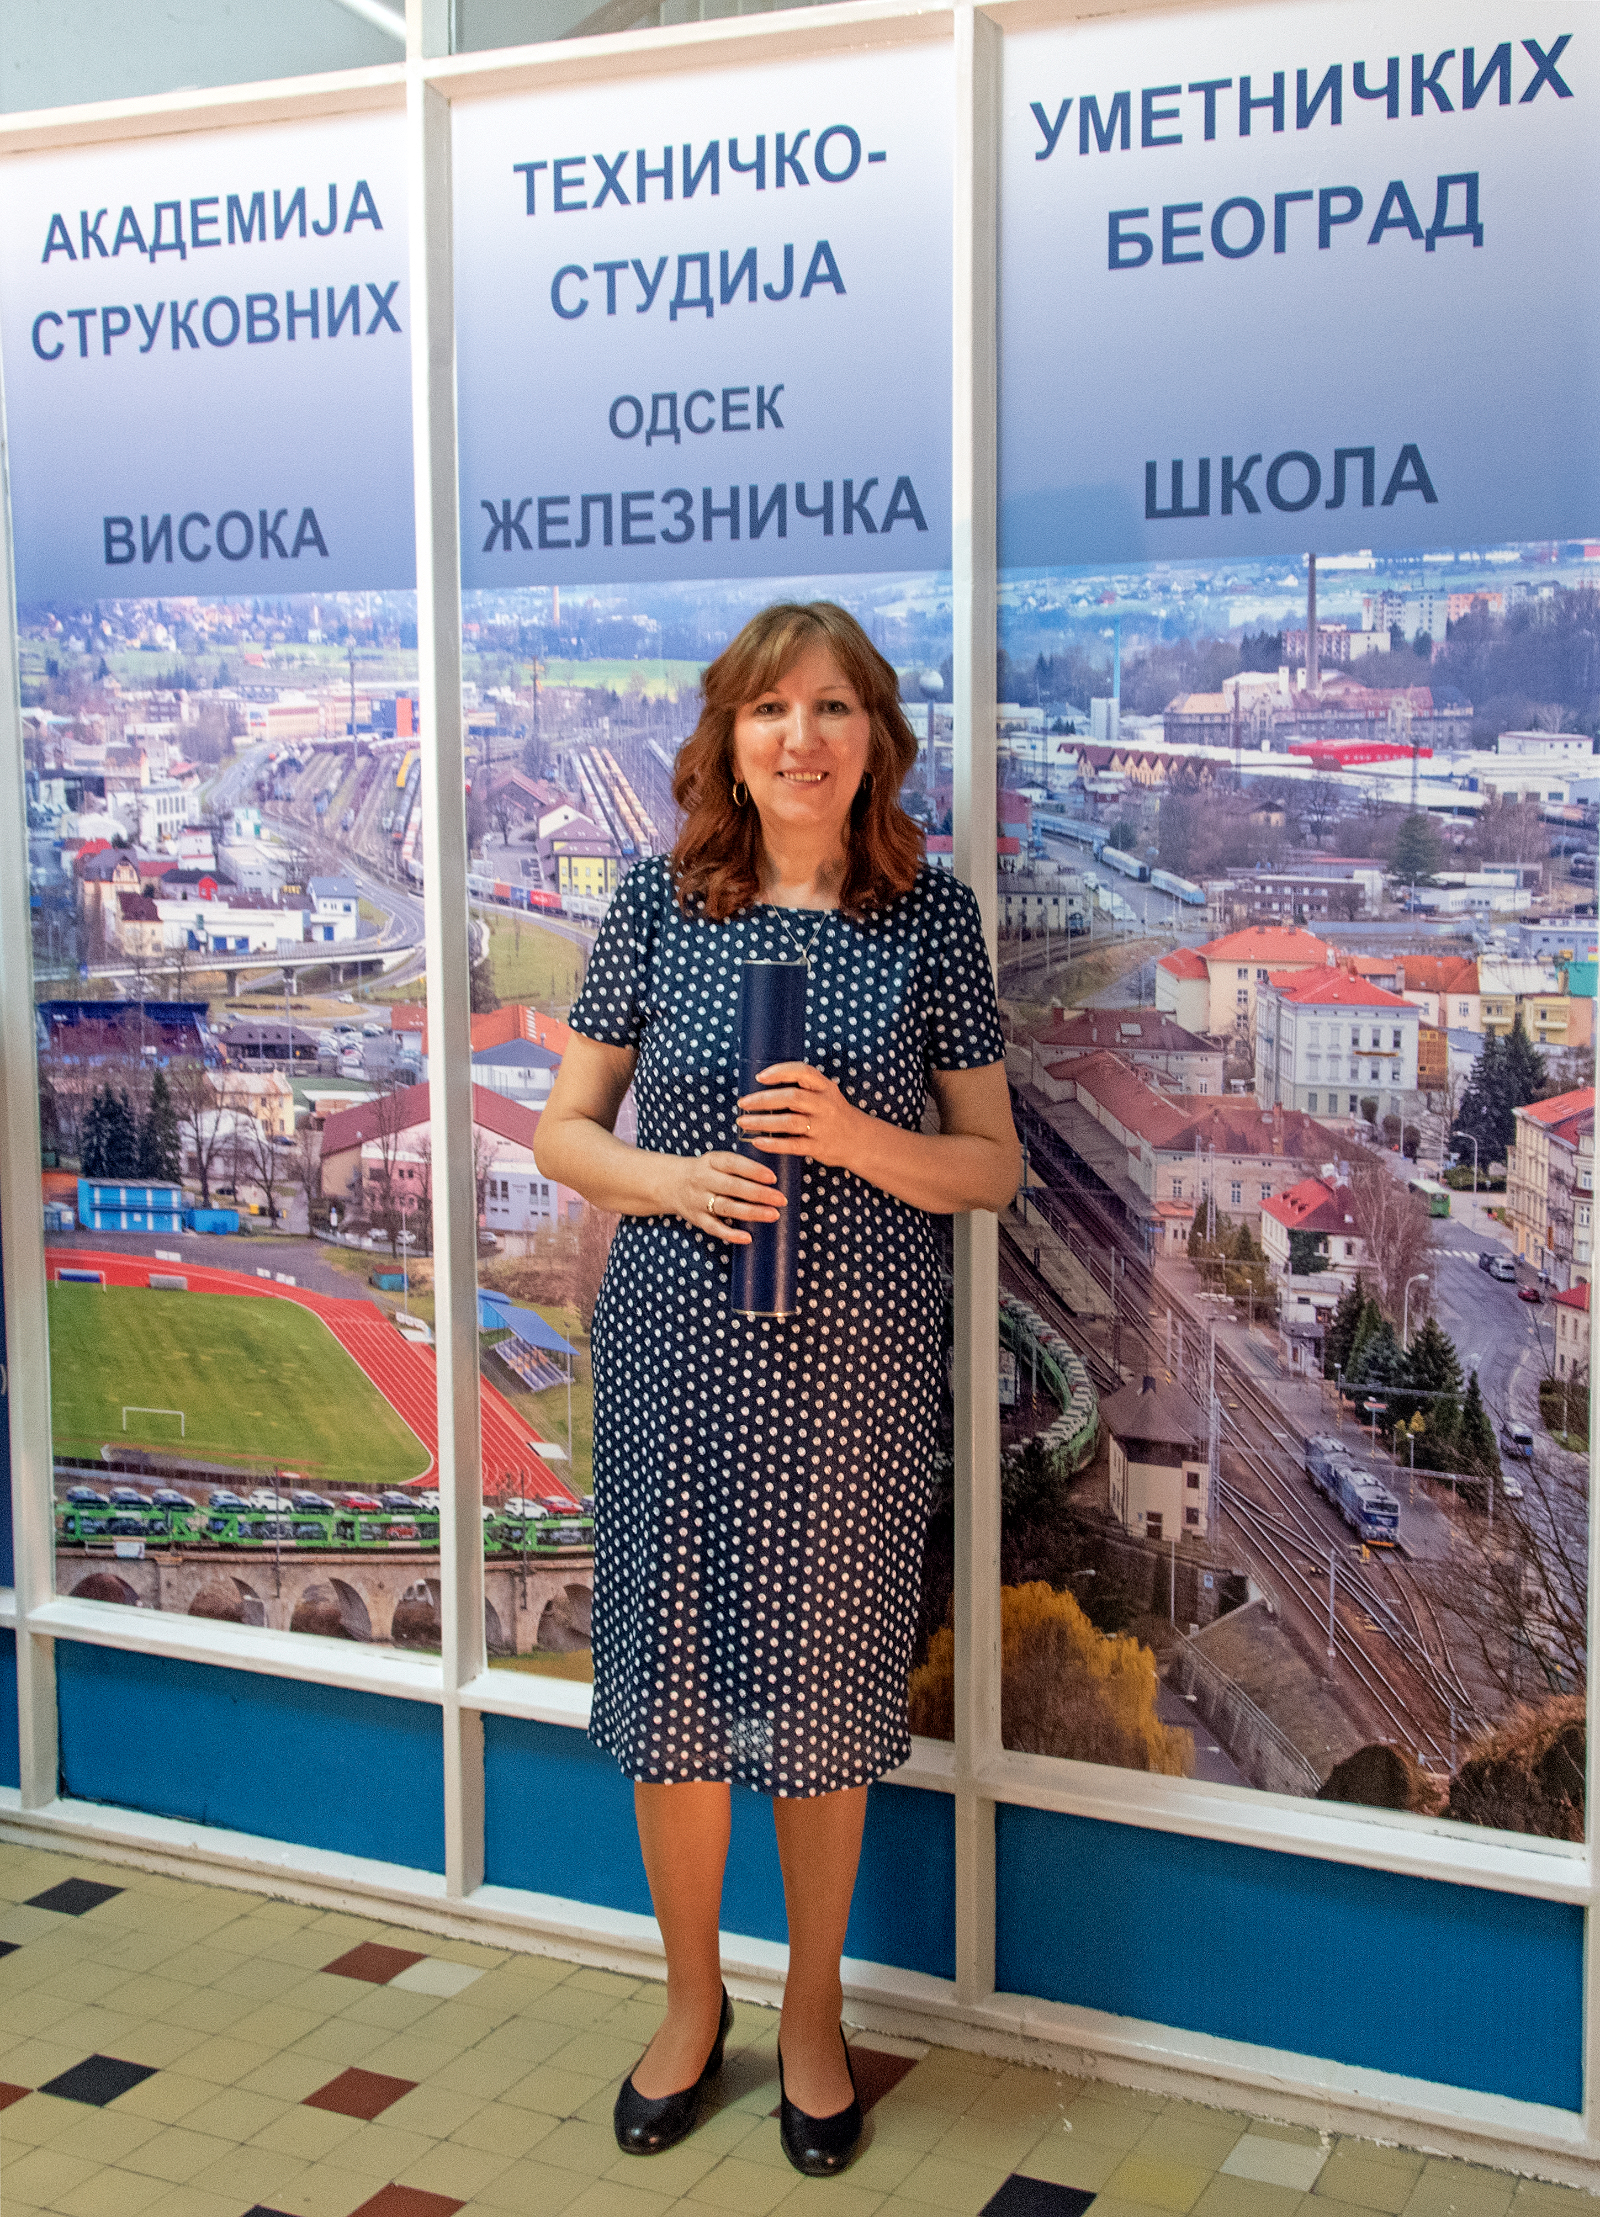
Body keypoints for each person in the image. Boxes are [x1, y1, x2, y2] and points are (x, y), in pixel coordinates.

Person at [534, 601, 1019, 2174]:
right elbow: (563, 1131)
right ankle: (694, 2004)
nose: (799, 737)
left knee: (818, 1691)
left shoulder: (929, 919)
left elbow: (993, 1163)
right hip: (677, 1349)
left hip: (852, 1371)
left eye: (830, 708)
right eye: (768, 710)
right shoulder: (658, 903)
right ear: (728, 741)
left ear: (874, 738)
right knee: (673, 1688)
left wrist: (857, 1138)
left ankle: (814, 2014)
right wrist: (673, 1179)